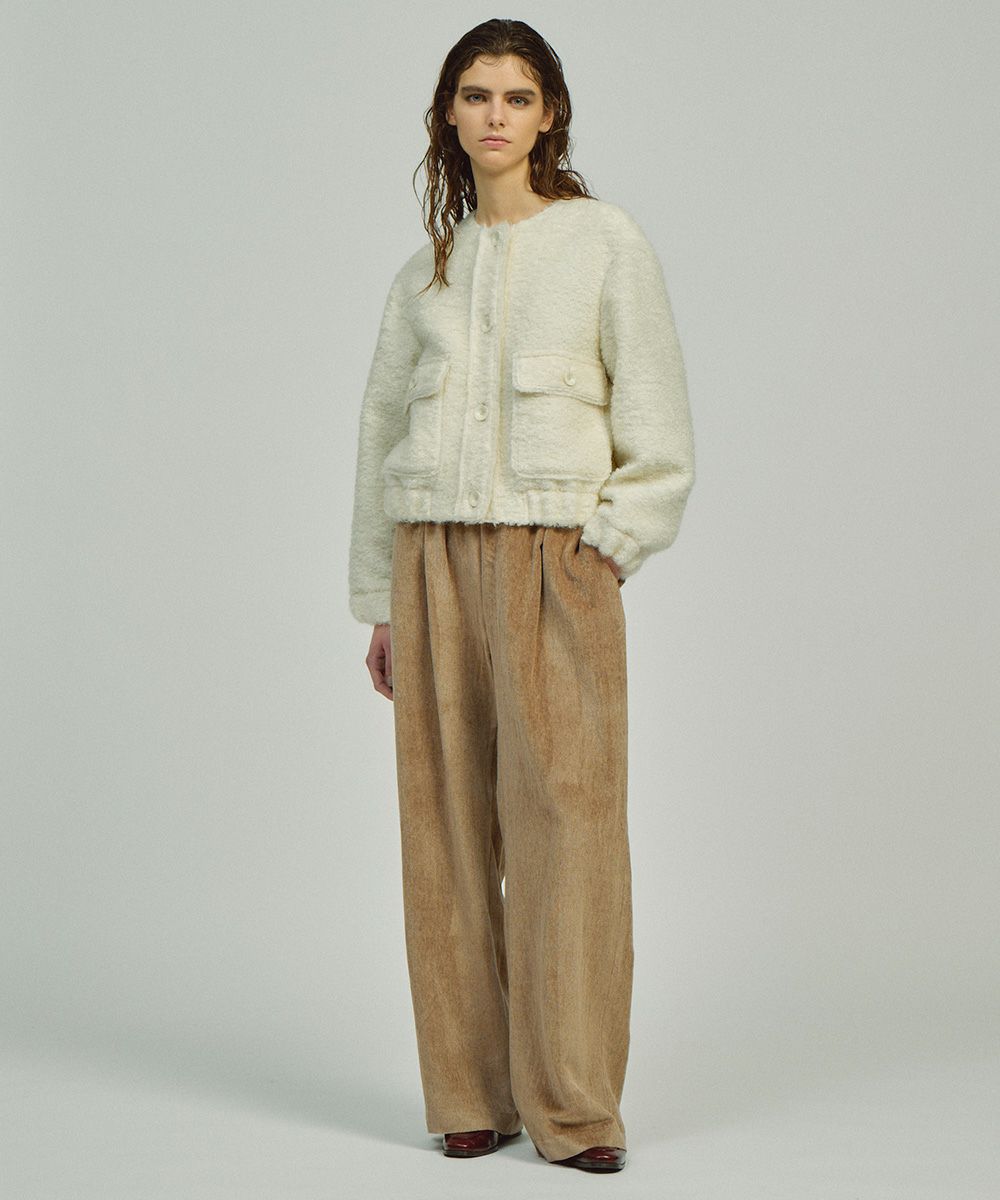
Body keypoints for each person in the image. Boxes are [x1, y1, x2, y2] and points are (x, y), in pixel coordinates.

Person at [347, 18, 695, 1174]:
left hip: (554, 558)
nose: (494, 113)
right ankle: (468, 1091)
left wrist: (608, 545)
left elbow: (657, 422)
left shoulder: (603, 242)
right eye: (474, 94)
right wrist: (381, 599)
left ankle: (574, 1106)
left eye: (517, 95)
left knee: (569, 827)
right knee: (442, 829)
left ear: (549, 117)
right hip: (430, 562)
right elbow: (378, 440)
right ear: (447, 115)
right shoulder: (423, 274)